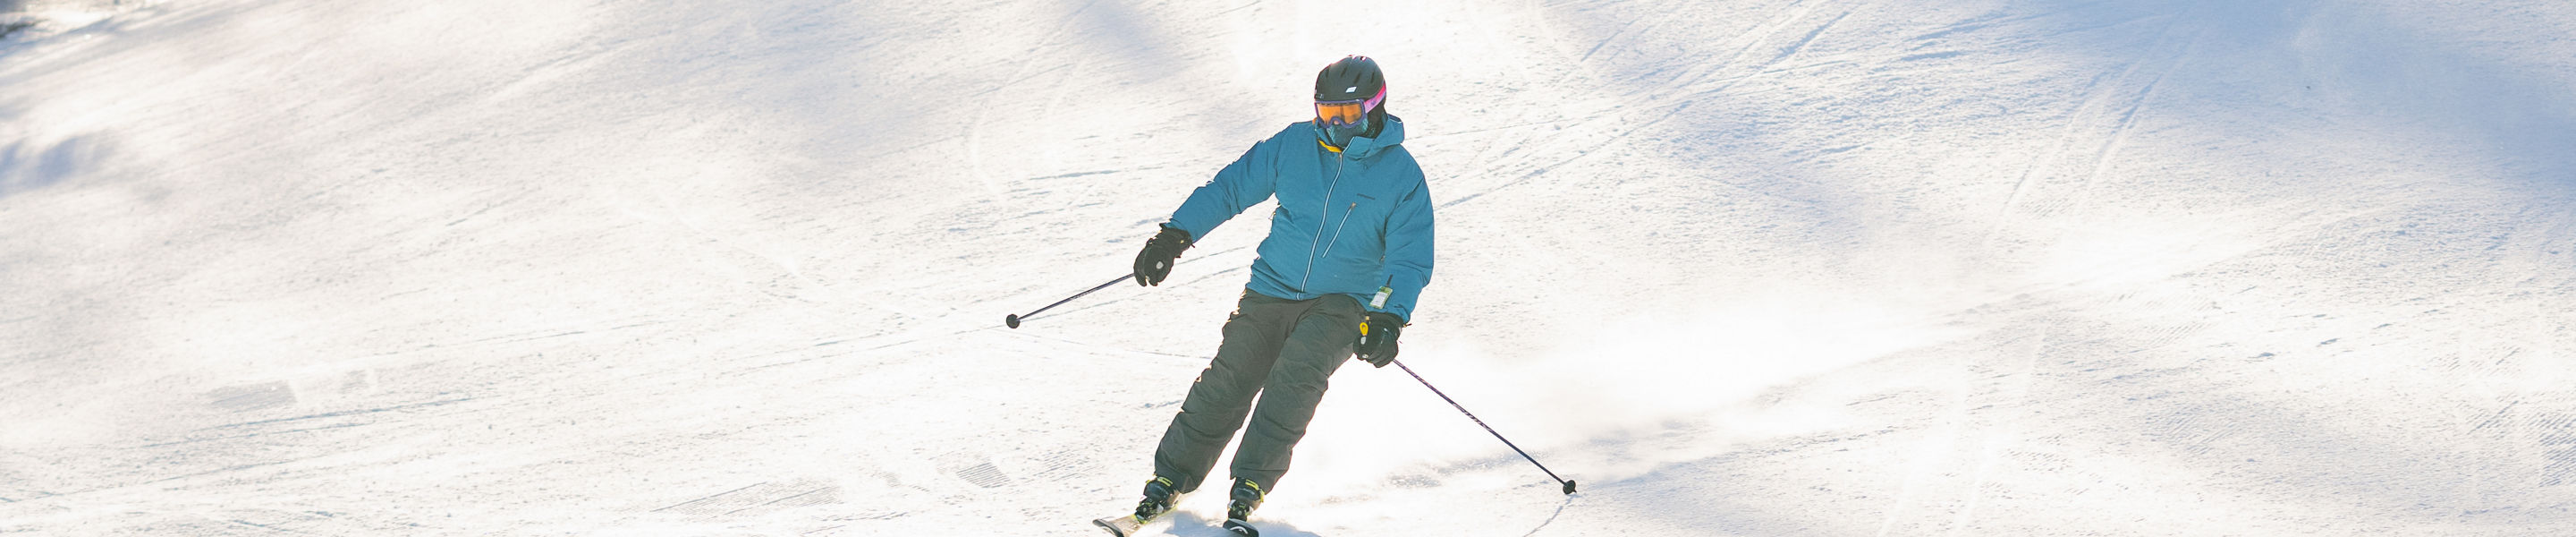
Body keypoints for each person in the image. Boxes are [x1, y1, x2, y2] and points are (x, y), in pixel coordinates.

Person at [1121, 55, 1436, 535]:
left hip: (1344, 301)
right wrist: (1175, 236)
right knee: (1229, 379)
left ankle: (1249, 485)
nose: (1337, 124)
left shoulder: (1400, 175)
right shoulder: (1294, 144)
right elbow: (1230, 188)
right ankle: (1169, 478)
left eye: (1349, 114)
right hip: (1271, 289)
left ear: (1375, 108)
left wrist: (1389, 316)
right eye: (1328, 111)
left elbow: (1409, 258)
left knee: (1296, 376)